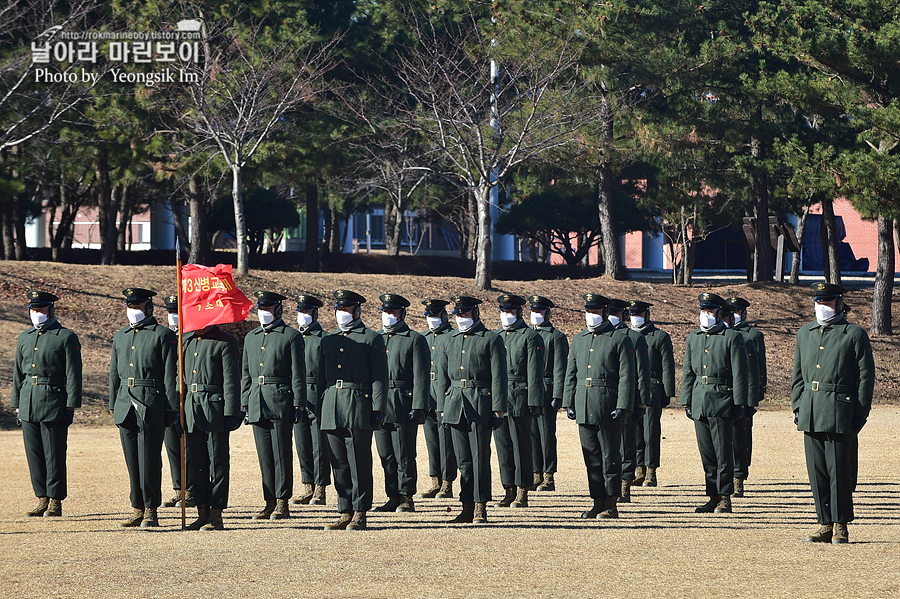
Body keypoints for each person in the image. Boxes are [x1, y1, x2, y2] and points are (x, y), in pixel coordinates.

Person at [792, 283, 874, 544]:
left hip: (840, 410)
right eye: (818, 303)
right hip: (811, 409)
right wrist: (797, 406)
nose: (822, 308)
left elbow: (865, 377)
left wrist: (860, 414)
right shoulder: (805, 333)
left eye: (827, 303)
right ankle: (824, 522)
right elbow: (798, 376)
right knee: (817, 472)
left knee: (840, 470)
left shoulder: (853, 335)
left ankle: (841, 524)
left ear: (839, 304)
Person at [317, 290, 389, 531]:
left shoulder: (370, 338)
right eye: (339, 310)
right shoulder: (328, 340)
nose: (342, 315)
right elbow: (320, 378)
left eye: (347, 310)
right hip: (332, 404)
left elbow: (380, 376)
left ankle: (360, 511)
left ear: (357, 311)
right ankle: (344, 510)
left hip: (358, 404)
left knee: (358, 460)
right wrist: (320, 407)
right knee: (338, 462)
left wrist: (378, 407)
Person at [434, 295, 508, 524]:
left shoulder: (490, 339)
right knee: (463, 460)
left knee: (479, 458)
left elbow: (499, 376)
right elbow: (441, 376)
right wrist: (442, 408)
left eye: (464, 314)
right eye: (457, 315)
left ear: (475, 314)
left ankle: (479, 506)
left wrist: (498, 410)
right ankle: (465, 506)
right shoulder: (448, 339)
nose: (460, 319)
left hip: (480, 403)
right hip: (455, 403)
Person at [109, 288, 179, 528]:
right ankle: (137, 506)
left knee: (149, 459)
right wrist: (113, 404)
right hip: (125, 404)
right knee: (132, 460)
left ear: (148, 308)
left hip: (151, 403)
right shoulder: (121, 336)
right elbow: (114, 375)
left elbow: (171, 375)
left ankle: (151, 509)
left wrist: (172, 408)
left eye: (137, 307)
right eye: (129, 306)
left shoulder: (163, 335)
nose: (133, 311)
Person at [563, 293, 635, 520]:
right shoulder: (580, 339)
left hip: (607, 404)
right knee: (591, 459)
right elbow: (571, 373)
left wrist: (623, 405)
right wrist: (569, 402)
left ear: (604, 312)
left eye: (595, 312)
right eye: (588, 312)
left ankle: (611, 503)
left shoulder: (619, 339)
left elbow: (626, 376)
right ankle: (597, 501)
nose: (590, 316)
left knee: (610, 457)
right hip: (584, 403)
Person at [11, 290, 82, 518]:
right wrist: (17, 403)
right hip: (28, 400)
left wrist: (70, 406)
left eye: (40, 309)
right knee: (34, 453)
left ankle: (55, 500)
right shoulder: (25, 337)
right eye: (33, 310)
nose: (36, 314)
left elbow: (73, 374)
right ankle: (41, 497)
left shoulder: (65, 336)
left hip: (53, 401)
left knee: (54, 454)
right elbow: (17, 373)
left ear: (51, 310)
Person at [241, 290, 307, 521]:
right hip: (257, 400)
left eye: (267, 309)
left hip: (280, 399)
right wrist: (244, 402)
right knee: (264, 456)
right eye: (260, 309)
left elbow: (298, 373)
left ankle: (282, 502)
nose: (263, 313)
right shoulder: (252, 337)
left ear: (278, 310)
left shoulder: (290, 336)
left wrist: (299, 404)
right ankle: (268, 501)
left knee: (281, 454)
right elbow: (246, 374)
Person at [681, 292, 749, 515]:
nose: (705, 315)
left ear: (720, 313)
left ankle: (725, 497)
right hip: (700, 399)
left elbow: (740, 373)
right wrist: (686, 400)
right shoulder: (694, 337)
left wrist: (740, 403)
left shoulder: (731, 337)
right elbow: (688, 373)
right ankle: (712, 496)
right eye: (703, 311)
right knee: (707, 454)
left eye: (709, 311)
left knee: (723, 453)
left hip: (722, 399)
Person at [182, 322, 242, 530]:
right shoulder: (186, 342)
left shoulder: (225, 342)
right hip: (191, 409)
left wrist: (232, 412)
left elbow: (232, 379)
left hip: (215, 409)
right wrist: (176, 410)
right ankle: (202, 511)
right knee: (196, 464)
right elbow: (178, 378)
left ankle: (216, 515)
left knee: (217, 464)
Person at [373, 293, 430, 513]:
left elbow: (421, 376)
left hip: (403, 405)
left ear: (402, 314)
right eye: (385, 312)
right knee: (385, 454)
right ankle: (392, 495)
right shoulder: (377, 338)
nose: (388, 316)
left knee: (404, 453)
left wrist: (419, 406)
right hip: (380, 404)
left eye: (392, 312)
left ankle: (407, 496)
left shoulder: (414, 339)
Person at [491, 294, 544, 509]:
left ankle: (522, 490)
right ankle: (508, 489)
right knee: (503, 445)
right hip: (498, 398)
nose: (507, 316)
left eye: (511, 312)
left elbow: (534, 372)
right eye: (504, 311)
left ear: (520, 313)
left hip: (520, 396)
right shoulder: (495, 336)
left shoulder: (530, 336)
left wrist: (534, 400)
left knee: (521, 445)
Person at [628, 300, 675, 488]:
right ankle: (638, 469)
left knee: (650, 432)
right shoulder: (627, 336)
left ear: (646, 315)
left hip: (653, 389)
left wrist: (667, 392)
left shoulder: (659, 337)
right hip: (632, 388)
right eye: (632, 315)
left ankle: (651, 470)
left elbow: (667, 366)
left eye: (638, 314)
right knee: (634, 432)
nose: (635, 318)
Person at [608, 299, 649, 504]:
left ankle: (625, 483)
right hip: (605, 398)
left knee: (626, 444)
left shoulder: (634, 338)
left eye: (616, 313)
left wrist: (641, 403)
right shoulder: (602, 337)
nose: (612, 316)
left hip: (629, 397)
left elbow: (642, 373)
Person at [291, 294, 331, 507]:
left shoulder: (324, 338)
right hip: (298, 396)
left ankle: (320, 488)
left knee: (319, 445)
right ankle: (307, 484)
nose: (302, 316)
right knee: (302, 444)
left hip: (317, 394)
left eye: (306, 312)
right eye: (300, 312)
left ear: (315, 314)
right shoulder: (294, 337)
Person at [527, 295, 569, 493]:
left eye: (539, 312)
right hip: (529, 390)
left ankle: (549, 475)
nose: (536, 315)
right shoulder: (526, 334)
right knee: (532, 434)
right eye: (533, 311)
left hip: (546, 389)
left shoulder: (555, 337)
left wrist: (558, 395)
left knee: (546, 435)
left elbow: (560, 368)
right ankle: (536, 473)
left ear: (548, 313)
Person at [726, 295, 766, 497]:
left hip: (745, 395)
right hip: (724, 393)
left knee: (741, 438)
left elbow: (758, 369)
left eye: (735, 311)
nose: (732, 315)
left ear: (743, 313)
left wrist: (755, 396)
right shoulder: (721, 334)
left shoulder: (753, 336)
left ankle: (739, 477)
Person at [417, 299, 457, 500]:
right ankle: (435, 480)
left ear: (443, 316)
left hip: (445, 392)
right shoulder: (423, 337)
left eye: (434, 315)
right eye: (428, 316)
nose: (431, 320)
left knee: (446, 440)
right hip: (427, 393)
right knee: (431, 440)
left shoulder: (452, 336)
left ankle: (448, 483)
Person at [161, 295, 193, 509]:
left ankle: (191, 490)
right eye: (170, 312)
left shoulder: (191, 336)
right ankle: (178, 489)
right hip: (167, 397)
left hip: (188, 396)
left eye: (177, 312)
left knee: (189, 446)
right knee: (172, 446)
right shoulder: (163, 336)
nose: (173, 316)